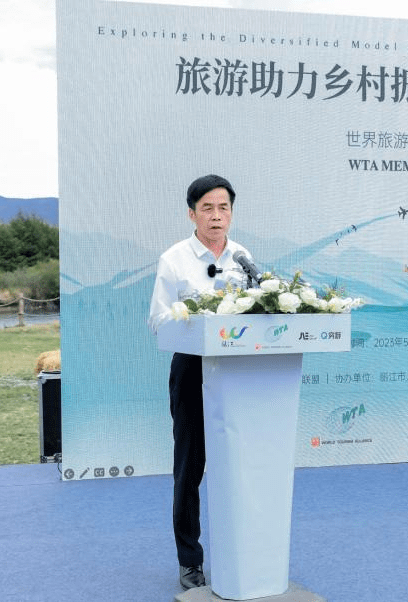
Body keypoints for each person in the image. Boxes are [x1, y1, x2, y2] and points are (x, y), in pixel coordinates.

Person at [148, 174, 254, 591]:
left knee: (241, 465)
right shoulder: (174, 259)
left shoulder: (243, 257)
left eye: (223, 208)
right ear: (192, 214)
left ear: (231, 213)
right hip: (193, 369)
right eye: (207, 208)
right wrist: (194, 321)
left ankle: (241, 550)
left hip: (239, 371)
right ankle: (189, 560)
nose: (216, 216)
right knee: (190, 468)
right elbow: (158, 320)